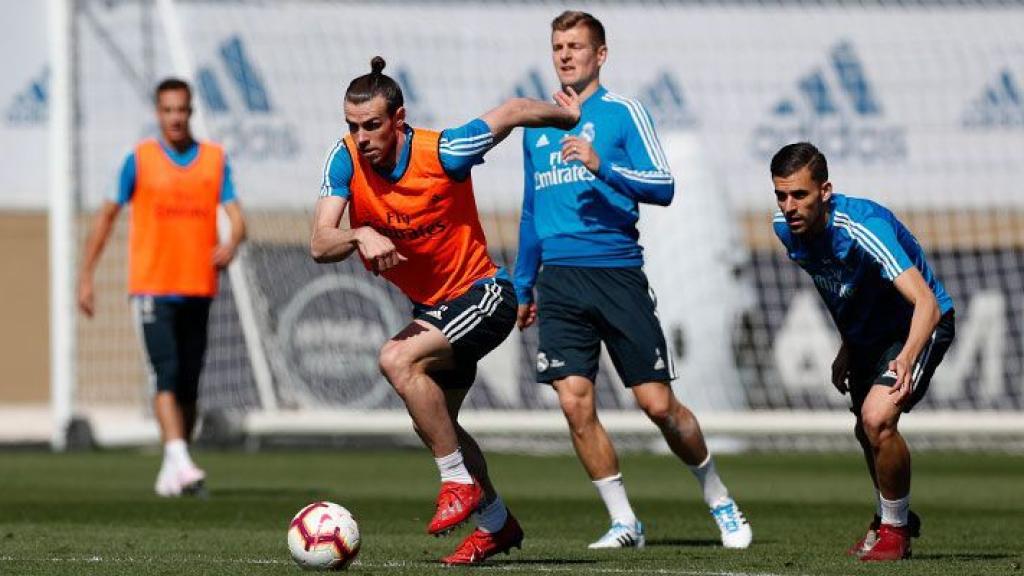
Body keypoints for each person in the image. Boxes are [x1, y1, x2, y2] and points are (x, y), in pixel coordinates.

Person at [310, 56, 580, 566]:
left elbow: (513, 111)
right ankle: (496, 523)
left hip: (485, 296)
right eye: (352, 125)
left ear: (399, 118)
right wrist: (359, 232)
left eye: (371, 125)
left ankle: (456, 481)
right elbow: (320, 242)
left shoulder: (445, 152)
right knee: (435, 423)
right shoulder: (344, 159)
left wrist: (566, 117)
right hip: (436, 311)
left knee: (395, 359)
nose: (361, 137)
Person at [514, 10, 752, 550]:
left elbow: (663, 185)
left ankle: (719, 498)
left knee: (657, 405)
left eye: (576, 45)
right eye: (558, 46)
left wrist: (600, 164)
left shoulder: (623, 113)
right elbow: (531, 212)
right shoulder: (536, 127)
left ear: (600, 55)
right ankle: (624, 522)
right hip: (559, 282)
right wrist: (524, 285)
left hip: (617, 273)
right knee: (574, 403)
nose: (565, 55)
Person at [771, 142, 955, 561]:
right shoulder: (785, 229)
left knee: (877, 418)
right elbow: (837, 288)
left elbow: (925, 303)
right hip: (868, 335)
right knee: (865, 429)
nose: (789, 206)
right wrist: (849, 345)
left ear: (825, 191)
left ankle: (894, 531)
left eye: (799, 194)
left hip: (919, 324)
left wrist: (906, 357)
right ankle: (891, 516)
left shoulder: (863, 227)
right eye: (781, 195)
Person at [77, 78, 247, 497]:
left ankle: (175, 467)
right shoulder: (139, 160)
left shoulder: (214, 160)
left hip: (199, 286)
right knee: (165, 371)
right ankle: (180, 460)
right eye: (168, 110)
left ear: (190, 112)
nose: (175, 117)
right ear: (157, 113)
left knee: (189, 382)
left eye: (182, 109)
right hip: (153, 286)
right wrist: (86, 275)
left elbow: (236, 216)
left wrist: (232, 242)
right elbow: (106, 217)